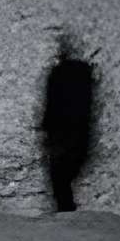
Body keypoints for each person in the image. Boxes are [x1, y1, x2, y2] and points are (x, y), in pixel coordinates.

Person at [36, 42, 98, 213]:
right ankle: (66, 211)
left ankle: (65, 211)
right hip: (76, 133)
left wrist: (45, 129)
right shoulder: (83, 74)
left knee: (59, 177)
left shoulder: (58, 74)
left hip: (62, 133)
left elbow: (52, 105)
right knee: (64, 177)